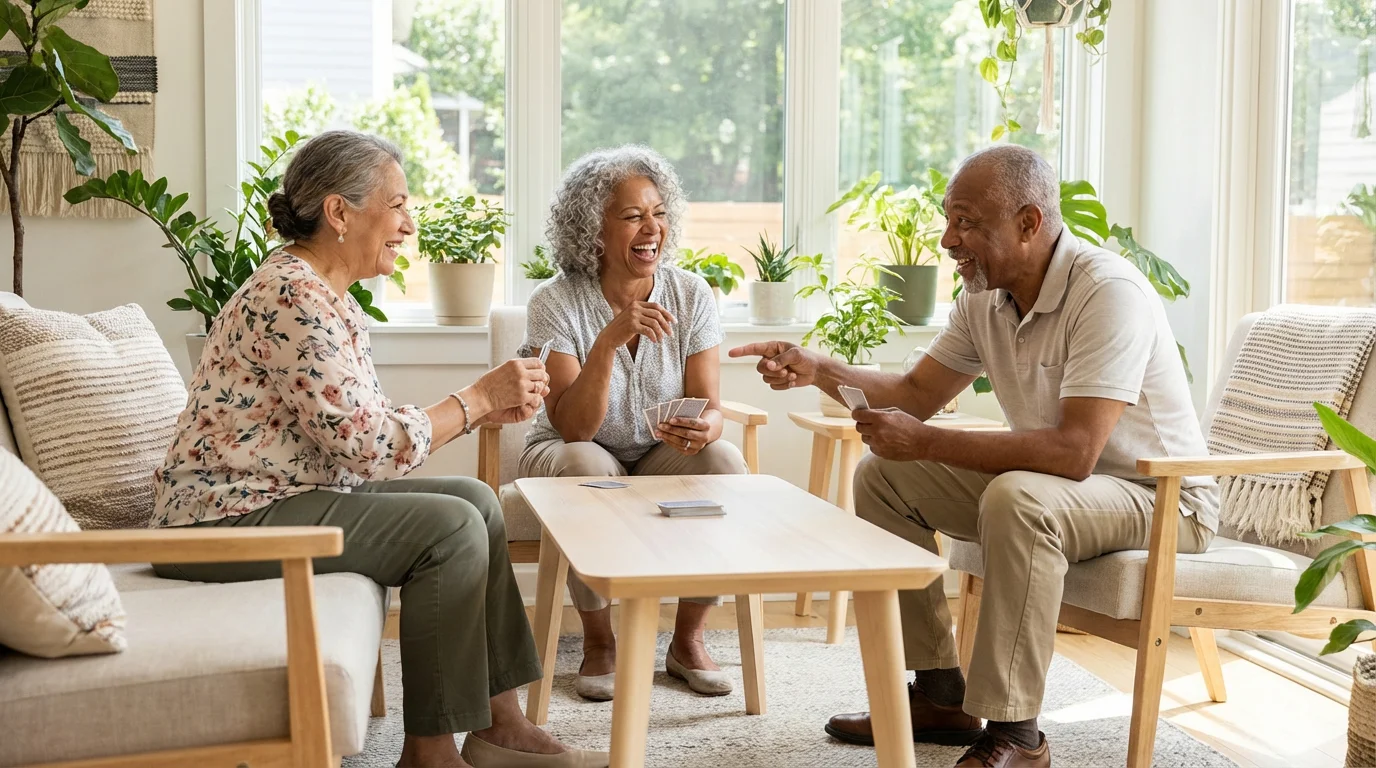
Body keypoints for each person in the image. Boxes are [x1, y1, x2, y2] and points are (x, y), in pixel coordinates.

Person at [731, 144, 1218, 768]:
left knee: (1018, 497)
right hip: (1065, 489)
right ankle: (940, 695)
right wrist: (818, 367)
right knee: (885, 476)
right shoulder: (984, 296)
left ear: (1029, 223)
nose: (947, 239)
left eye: (967, 223)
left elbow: (1074, 452)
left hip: (1162, 498)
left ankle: (1019, 735)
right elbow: (915, 395)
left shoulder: (1107, 292)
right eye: (948, 218)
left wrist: (927, 439)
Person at [151, 130, 607, 768]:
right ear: (339, 213)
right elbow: (367, 448)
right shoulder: (292, 298)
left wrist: (480, 409)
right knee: (446, 528)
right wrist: (474, 399)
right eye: (397, 206)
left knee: (475, 499)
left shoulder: (324, 296)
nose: (410, 225)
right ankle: (429, 754)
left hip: (279, 496)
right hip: (222, 520)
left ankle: (499, 723)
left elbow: (357, 431)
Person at [518, 145, 748, 702]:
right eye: (631, 216)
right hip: (570, 450)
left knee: (725, 461)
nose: (652, 228)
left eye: (659, 212)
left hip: (654, 450)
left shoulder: (691, 293)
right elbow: (573, 426)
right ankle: (601, 641)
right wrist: (609, 340)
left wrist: (707, 428)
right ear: (590, 229)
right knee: (584, 462)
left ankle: (687, 641)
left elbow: (710, 403)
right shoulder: (554, 302)